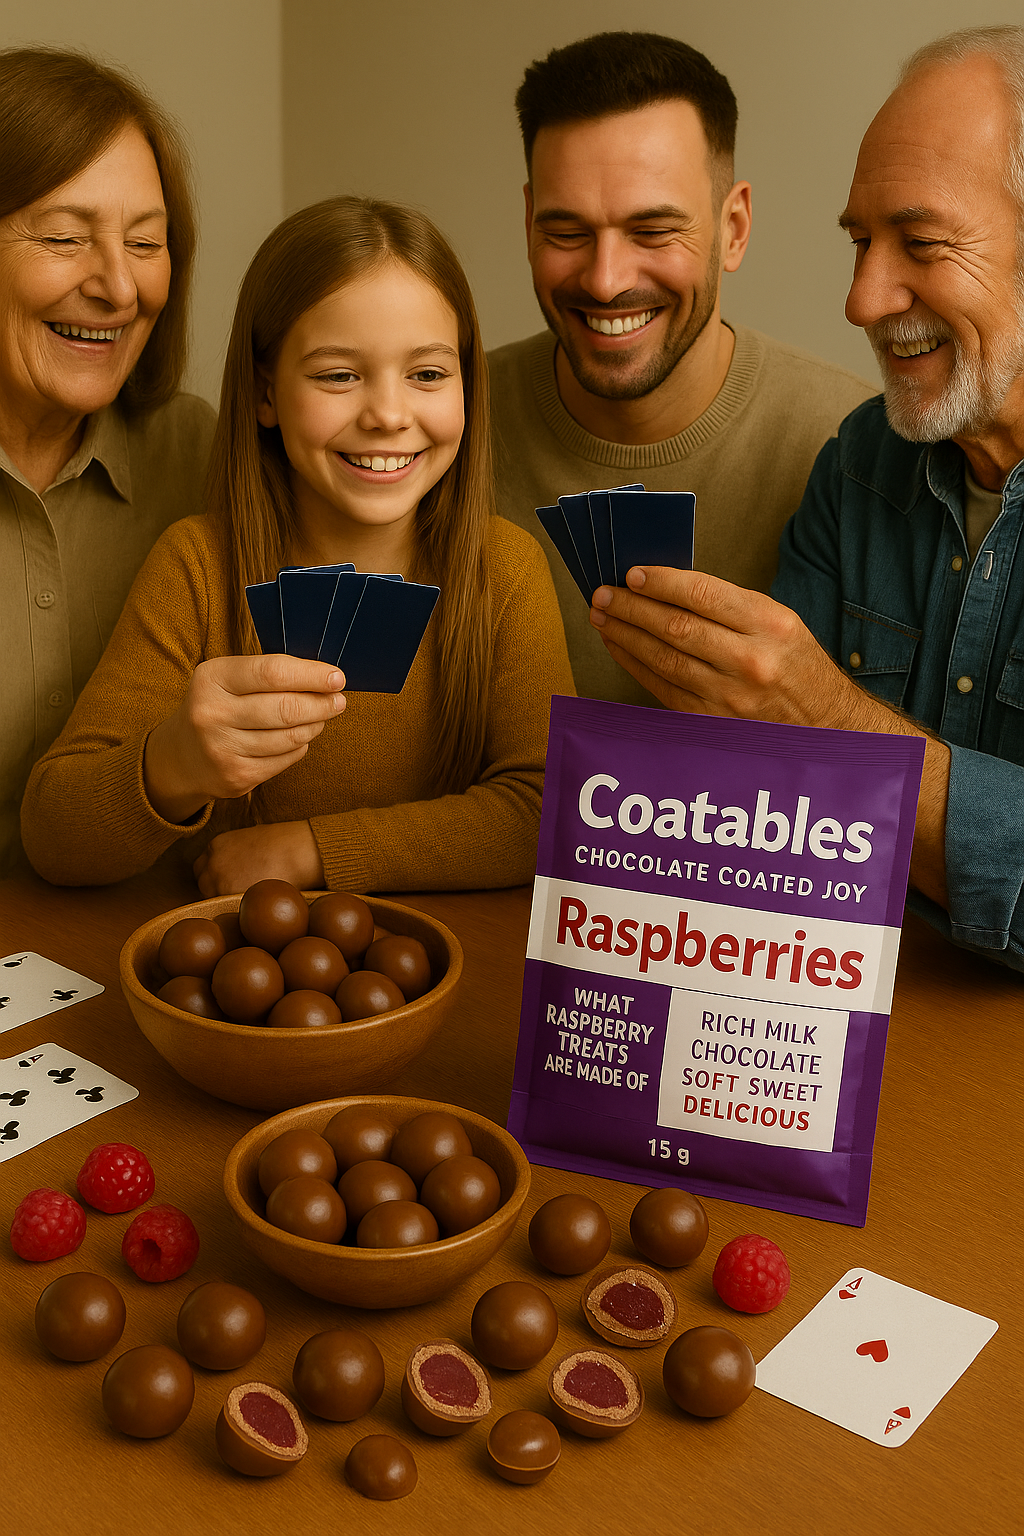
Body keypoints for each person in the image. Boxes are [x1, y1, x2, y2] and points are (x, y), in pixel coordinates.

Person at [587, 25, 1024, 972]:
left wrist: (829, 719)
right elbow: (769, 815)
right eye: (863, 242)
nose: (862, 298)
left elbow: (808, 739)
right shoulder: (865, 458)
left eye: (920, 241)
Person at [21, 196, 574, 895]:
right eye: (338, 375)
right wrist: (175, 764)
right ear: (265, 394)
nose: (387, 415)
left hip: (443, 971)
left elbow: (545, 814)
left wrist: (314, 850)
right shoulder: (199, 566)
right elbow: (54, 834)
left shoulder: (506, 569)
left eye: (428, 374)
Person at [488, 31, 874, 705]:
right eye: (567, 232)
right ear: (527, 224)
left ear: (734, 228)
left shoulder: (855, 447)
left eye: (654, 231)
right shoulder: (438, 428)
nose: (606, 281)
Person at [0, 47, 216, 877]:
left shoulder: (197, 452)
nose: (121, 289)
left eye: (147, 243)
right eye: (63, 238)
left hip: (146, 942)